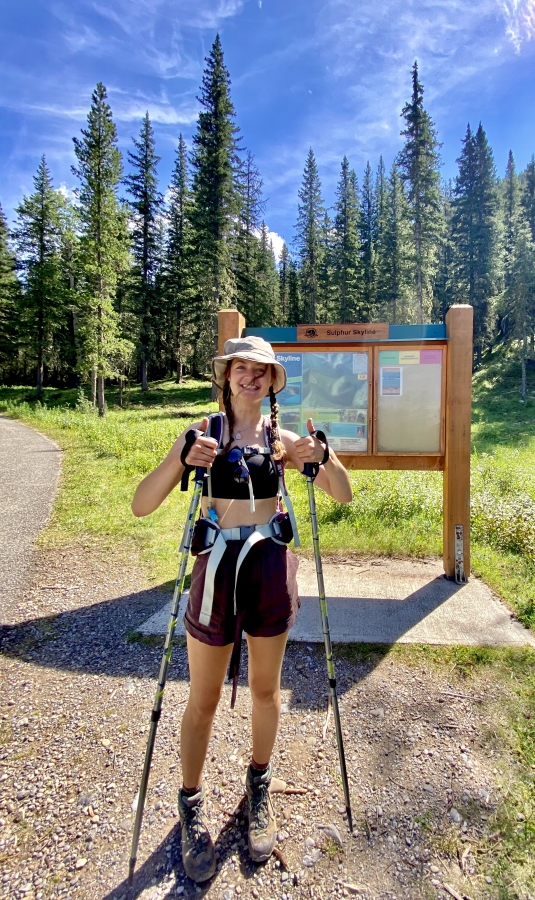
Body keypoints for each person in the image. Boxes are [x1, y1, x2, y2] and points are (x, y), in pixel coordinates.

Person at [131, 336, 353, 882]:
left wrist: (319, 455)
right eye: (241, 369)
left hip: (270, 568)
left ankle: (259, 785)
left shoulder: (283, 439)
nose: (250, 377)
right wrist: (180, 458)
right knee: (202, 698)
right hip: (216, 572)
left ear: (272, 380)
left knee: (265, 690)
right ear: (226, 375)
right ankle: (191, 803)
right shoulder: (203, 434)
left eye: (261, 370)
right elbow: (141, 503)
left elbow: (344, 493)